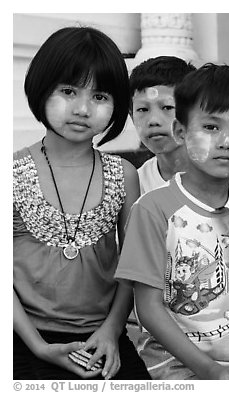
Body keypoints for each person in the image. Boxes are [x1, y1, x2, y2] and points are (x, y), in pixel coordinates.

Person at [114, 63, 229, 380]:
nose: (226, 141)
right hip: (172, 364)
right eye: (211, 127)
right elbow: (148, 308)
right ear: (180, 132)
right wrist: (210, 371)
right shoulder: (152, 209)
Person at [13, 26, 149, 380]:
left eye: (100, 96)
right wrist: (38, 346)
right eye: (69, 91)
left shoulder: (124, 175)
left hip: (102, 338)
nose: (83, 108)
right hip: (21, 336)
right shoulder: (10, 173)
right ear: (42, 89)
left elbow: (132, 269)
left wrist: (111, 330)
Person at [129, 56, 196, 194]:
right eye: (142, 109)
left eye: (167, 107)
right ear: (131, 116)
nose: (153, 121)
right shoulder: (135, 188)